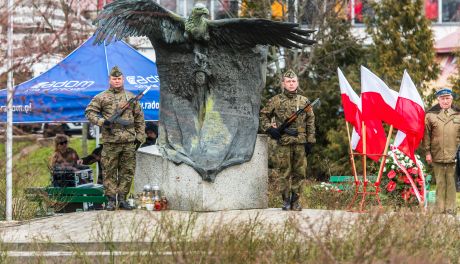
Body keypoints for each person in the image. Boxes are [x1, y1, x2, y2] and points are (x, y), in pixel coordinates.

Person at [85, 66, 145, 211]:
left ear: (122, 79)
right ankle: (111, 200)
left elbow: (139, 118)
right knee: (109, 171)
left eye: (119, 79)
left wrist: (140, 136)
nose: (117, 81)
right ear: (109, 80)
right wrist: (102, 122)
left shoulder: (130, 97)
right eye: (114, 79)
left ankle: (123, 199)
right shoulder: (101, 97)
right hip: (111, 142)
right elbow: (89, 112)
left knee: (127, 171)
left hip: (129, 142)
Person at [260, 69, 316, 211]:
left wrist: (310, 141)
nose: (291, 84)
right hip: (283, 142)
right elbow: (263, 115)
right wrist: (270, 129)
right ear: (283, 84)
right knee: (284, 173)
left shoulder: (304, 101)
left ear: (297, 83)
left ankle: (295, 201)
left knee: (300, 173)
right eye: (288, 81)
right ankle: (285, 201)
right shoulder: (275, 100)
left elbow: (310, 121)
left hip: (300, 142)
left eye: (293, 81)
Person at [423, 87, 459, 215]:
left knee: (451, 182)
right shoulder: (430, 116)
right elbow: (426, 135)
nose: (445, 101)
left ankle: (450, 209)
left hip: (454, 154)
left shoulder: (458, 114)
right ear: (438, 100)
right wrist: (427, 152)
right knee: (439, 182)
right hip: (436, 153)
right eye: (442, 98)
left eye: (447, 98)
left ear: (451, 99)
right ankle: (439, 209)